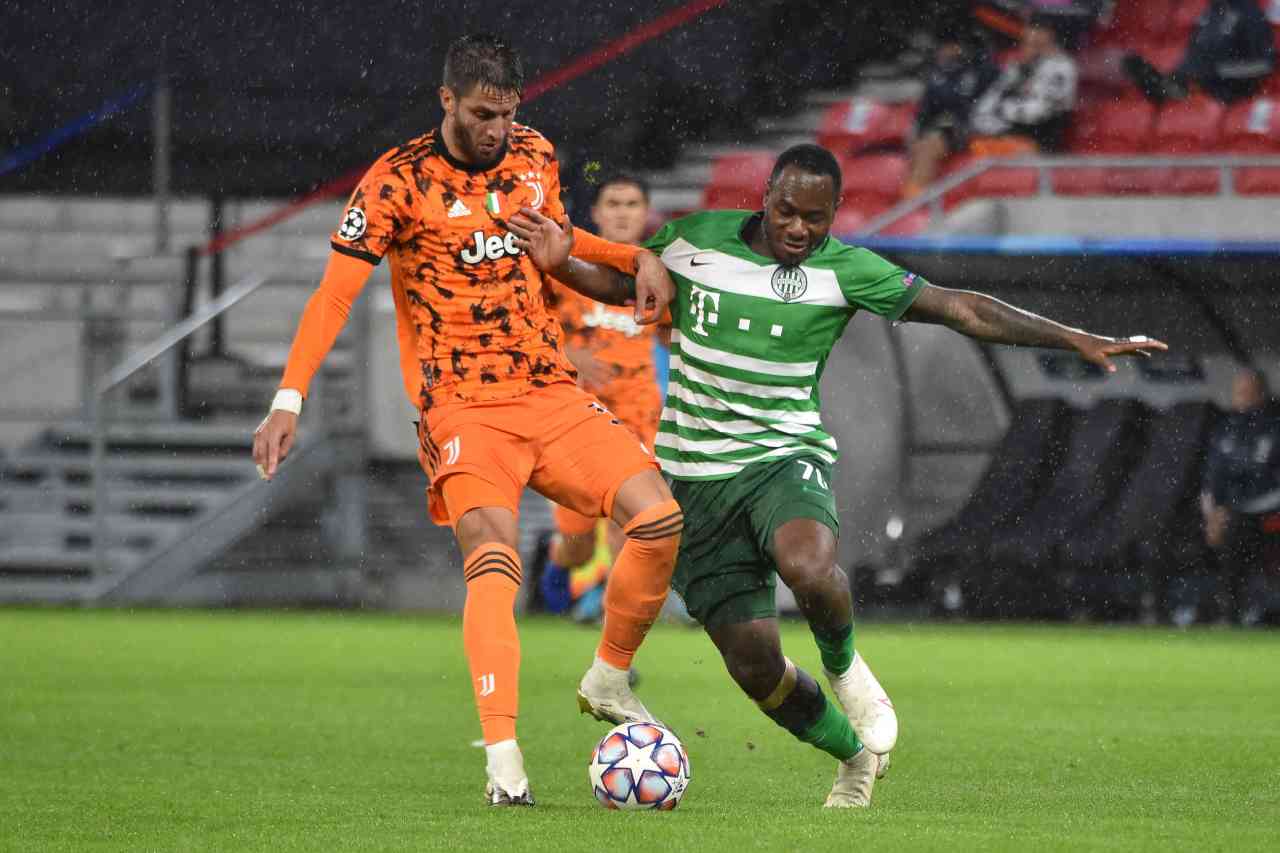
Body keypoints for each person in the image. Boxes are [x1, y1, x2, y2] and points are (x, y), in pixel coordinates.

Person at [511, 143, 1166, 808]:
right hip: (695, 481)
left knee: (809, 563)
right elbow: (623, 287)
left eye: (816, 219)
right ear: (764, 197)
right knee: (756, 665)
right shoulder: (693, 239)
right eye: (788, 212)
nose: (800, 229)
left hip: (782, 458)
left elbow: (957, 307)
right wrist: (561, 265)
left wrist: (1072, 336)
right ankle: (852, 757)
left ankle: (847, 667)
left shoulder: (846, 270)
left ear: (834, 216)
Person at [251, 34, 685, 808]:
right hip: (461, 404)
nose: (497, 130)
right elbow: (334, 296)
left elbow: (558, 242)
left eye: (508, 114)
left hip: (547, 388)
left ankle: (609, 675)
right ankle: (504, 755)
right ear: (447, 100)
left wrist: (632, 258)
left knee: (658, 519)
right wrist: (289, 399)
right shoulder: (394, 183)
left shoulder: (534, 153)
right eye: (484, 114)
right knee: (492, 553)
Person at [539, 175, 665, 622]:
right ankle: (558, 568)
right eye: (613, 202)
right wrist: (570, 354)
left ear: (646, 212)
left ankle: (614, 649)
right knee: (576, 543)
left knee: (630, 527)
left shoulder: (658, 273)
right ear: (595, 213)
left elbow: (678, 336)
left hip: (638, 415)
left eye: (633, 202)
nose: (622, 212)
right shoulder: (564, 266)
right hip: (577, 417)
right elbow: (526, 329)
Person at [904, 17, 1078, 197]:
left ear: (1050, 43)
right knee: (929, 143)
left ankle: (919, 206)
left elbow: (1038, 112)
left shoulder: (1061, 67)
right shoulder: (1016, 69)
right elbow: (985, 108)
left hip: (1035, 140)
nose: (1029, 49)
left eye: (1037, 44)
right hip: (998, 133)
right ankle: (913, 202)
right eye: (1026, 43)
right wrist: (992, 117)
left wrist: (1002, 111)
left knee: (941, 142)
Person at [1196, 368, 1280, 626]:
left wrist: (1239, 511)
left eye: (1248, 390)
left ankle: (1237, 610)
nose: (1242, 396)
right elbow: (1211, 481)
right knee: (1176, 530)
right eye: (1238, 391)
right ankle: (1204, 608)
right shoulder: (1225, 429)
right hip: (1228, 513)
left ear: (1262, 393)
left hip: (1269, 512)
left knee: (1238, 532)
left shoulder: (1274, 428)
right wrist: (1212, 516)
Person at [902, 26, 1002, 199]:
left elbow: (981, 103)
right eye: (940, 48)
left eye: (947, 47)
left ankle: (912, 204)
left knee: (929, 146)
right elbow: (925, 109)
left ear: (959, 47)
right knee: (919, 144)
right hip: (944, 128)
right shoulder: (938, 73)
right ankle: (911, 198)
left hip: (972, 127)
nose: (942, 52)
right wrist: (917, 132)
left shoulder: (983, 71)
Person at [1124, 0, 1276, 105]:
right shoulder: (1211, 11)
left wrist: (1217, 70)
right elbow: (1195, 52)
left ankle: (1169, 89)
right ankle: (1168, 85)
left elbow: (1265, 65)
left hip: (1227, 90)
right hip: (1196, 83)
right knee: (1137, 67)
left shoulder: (1251, 14)